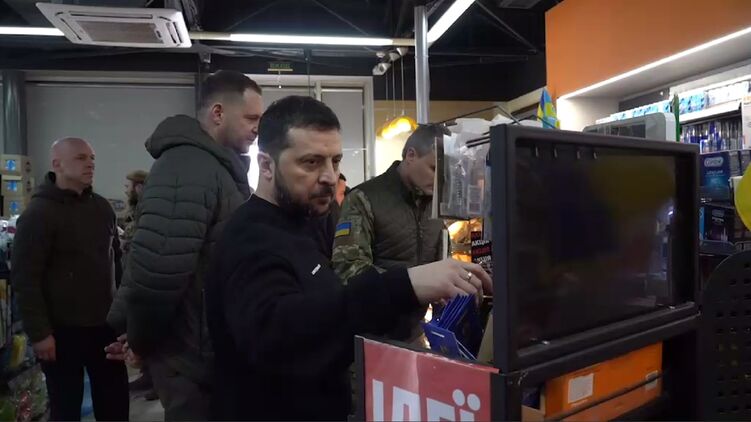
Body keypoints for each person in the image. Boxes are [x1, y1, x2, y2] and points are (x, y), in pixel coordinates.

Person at [205, 96, 491, 421]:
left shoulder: (309, 219)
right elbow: (279, 336)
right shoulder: (249, 239)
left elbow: (328, 308)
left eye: (335, 161)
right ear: (266, 166)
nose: (330, 176)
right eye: (311, 163)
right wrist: (405, 284)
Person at [106, 70, 262, 420]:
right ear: (218, 113)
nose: (257, 128)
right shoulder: (187, 168)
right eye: (251, 118)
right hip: (190, 355)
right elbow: (157, 270)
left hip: (205, 349)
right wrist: (140, 340)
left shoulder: (215, 168)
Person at [12, 137, 129, 421]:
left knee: (115, 405)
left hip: (105, 326)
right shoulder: (39, 214)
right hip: (61, 332)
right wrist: (40, 334)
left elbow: (116, 264)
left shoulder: (102, 208)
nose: (90, 164)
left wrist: (123, 318)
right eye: (80, 158)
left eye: (92, 158)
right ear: (57, 164)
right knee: (66, 408)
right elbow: (26, 279)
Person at [332, 124, 448, 342]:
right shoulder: (363, 198)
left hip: (416, 335)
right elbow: (348, 269)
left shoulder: (438, 205)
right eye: (434, 168)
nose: (439, 179)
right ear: (411, 156)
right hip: (370, 336)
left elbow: (440, 259)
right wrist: (414, 283)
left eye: (444, 172)